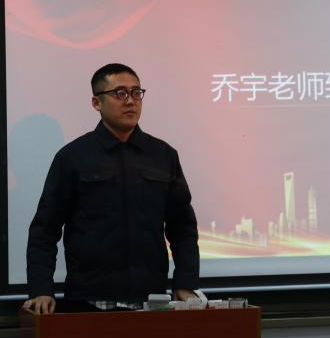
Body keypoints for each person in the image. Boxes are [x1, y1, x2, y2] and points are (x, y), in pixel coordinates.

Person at [22, 63, 200, 314]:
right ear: (97, 102)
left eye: (136, 93)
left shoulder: (163, 155)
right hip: (89, 302)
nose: (130, 101)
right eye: (120, 93)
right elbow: (45, 230)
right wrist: (41, 289)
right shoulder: (73, 157)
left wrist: (185, 283)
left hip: (151, 301)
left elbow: (182, 228)